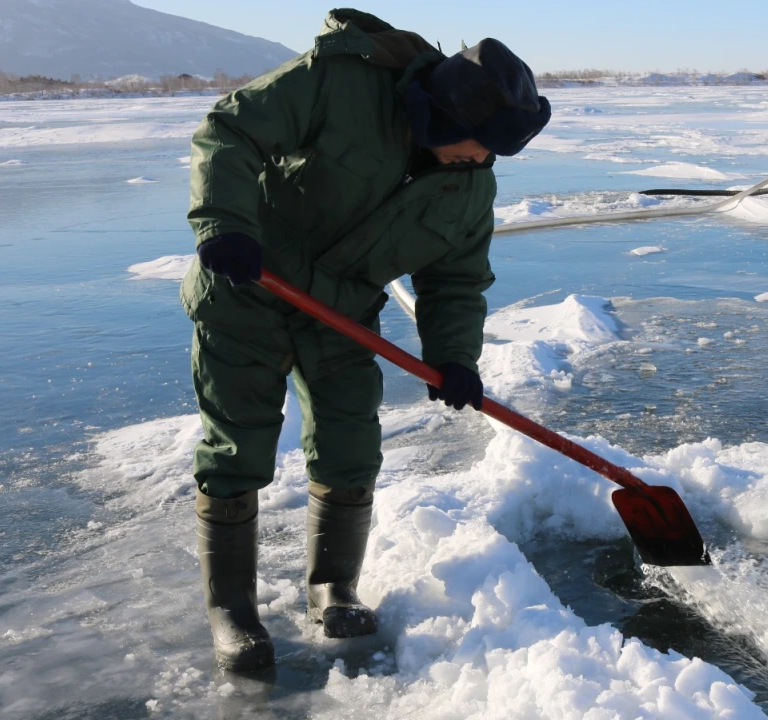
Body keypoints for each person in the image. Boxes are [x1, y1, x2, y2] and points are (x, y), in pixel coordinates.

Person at [180, 9, 550, 671]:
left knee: (351, 440)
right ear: (442, 112)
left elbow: (456, 280)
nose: (483, 160)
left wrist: (455, 357)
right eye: (477, 143)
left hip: (342, 309)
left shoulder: (468, 183)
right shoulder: (340, 83)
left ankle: (333, 587)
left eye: (494, 152)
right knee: (239, 438)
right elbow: (228, 128)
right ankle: (231, 609)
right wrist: (224, 223)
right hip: (250, 283)